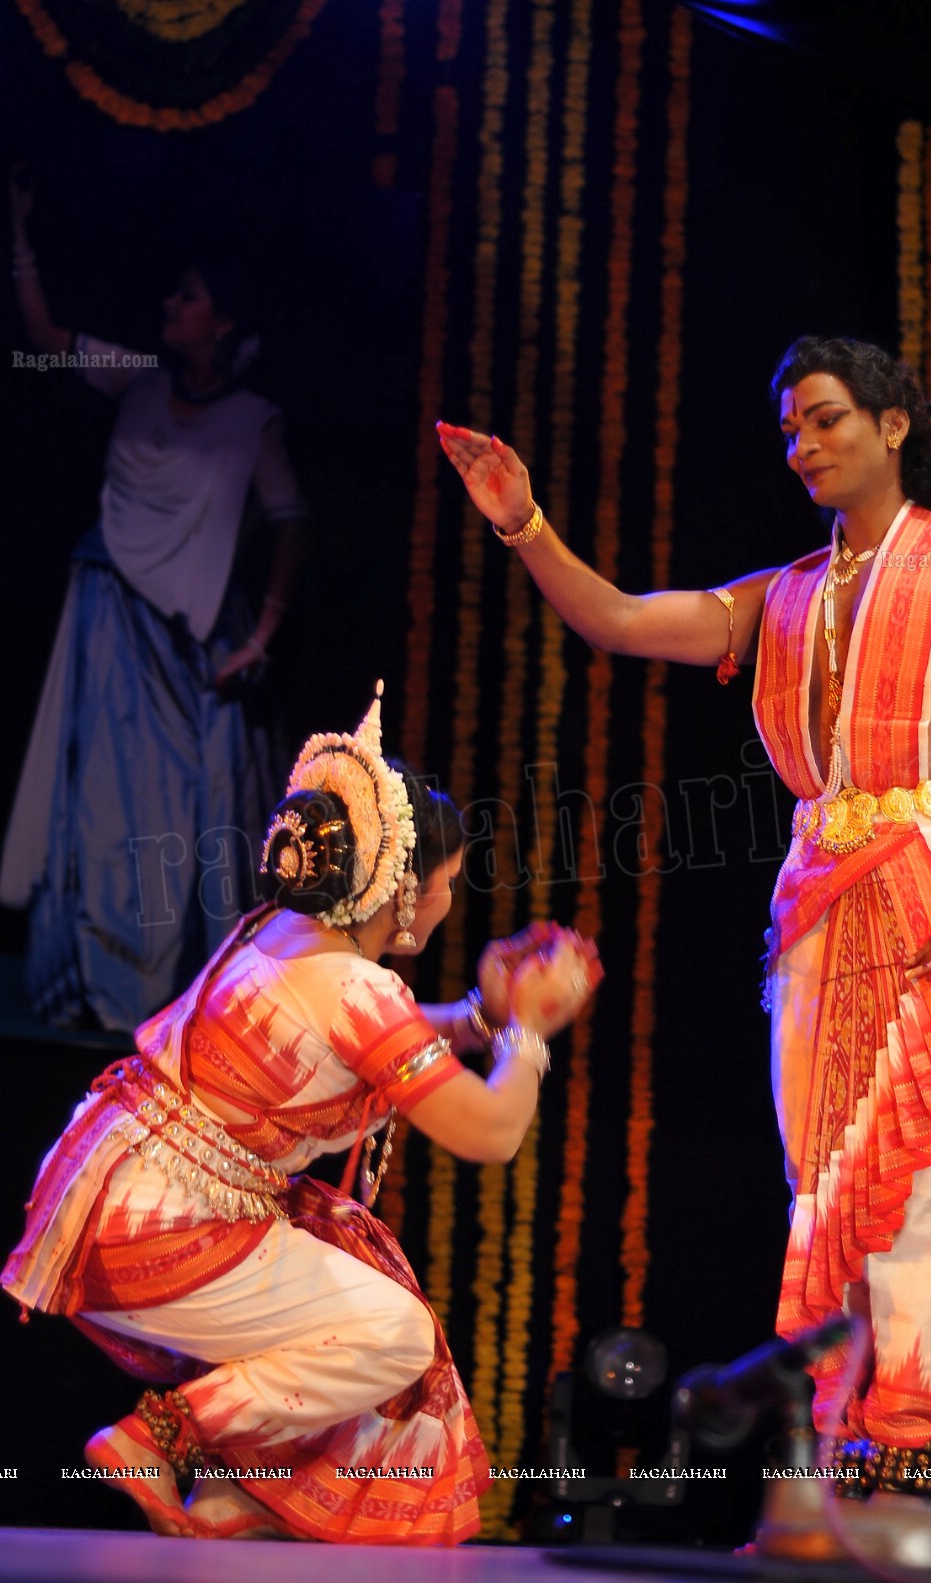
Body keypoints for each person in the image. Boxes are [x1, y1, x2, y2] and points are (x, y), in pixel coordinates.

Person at [437, 335, 931, 1530]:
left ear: (893, 426)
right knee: (826, 1186)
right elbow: (618, 621)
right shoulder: (782, 593)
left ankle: (892, 1449)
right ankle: (830, 1450)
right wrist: (524, 523)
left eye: (824, 418)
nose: (801, 445)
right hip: (817, 902)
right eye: (789, 429)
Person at [2, 683, 600, 1542]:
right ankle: (158, 1440)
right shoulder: (360, 989)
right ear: (398, 888)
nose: (445, 902)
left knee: (346, 1295)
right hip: (162, 1229)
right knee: (390, 1334)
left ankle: (236, 1498)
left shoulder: (275, 932)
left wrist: (480, 1016)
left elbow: (366, 1044)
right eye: (444, 884)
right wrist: (530, 1033)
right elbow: (492, 1132)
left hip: (112, 1195)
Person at [3, 171, 306, 1031]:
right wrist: (20, 237)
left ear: (226, 321)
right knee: (99, 803)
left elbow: (290, 522)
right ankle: (97, 987)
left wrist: (263, 638)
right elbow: (42, 341)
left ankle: (182, 1000)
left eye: (190, 296)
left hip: (192, 643)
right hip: (111, 625)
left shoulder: (252, 417)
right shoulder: (134, 378)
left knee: (178, 815)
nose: (171, 304)